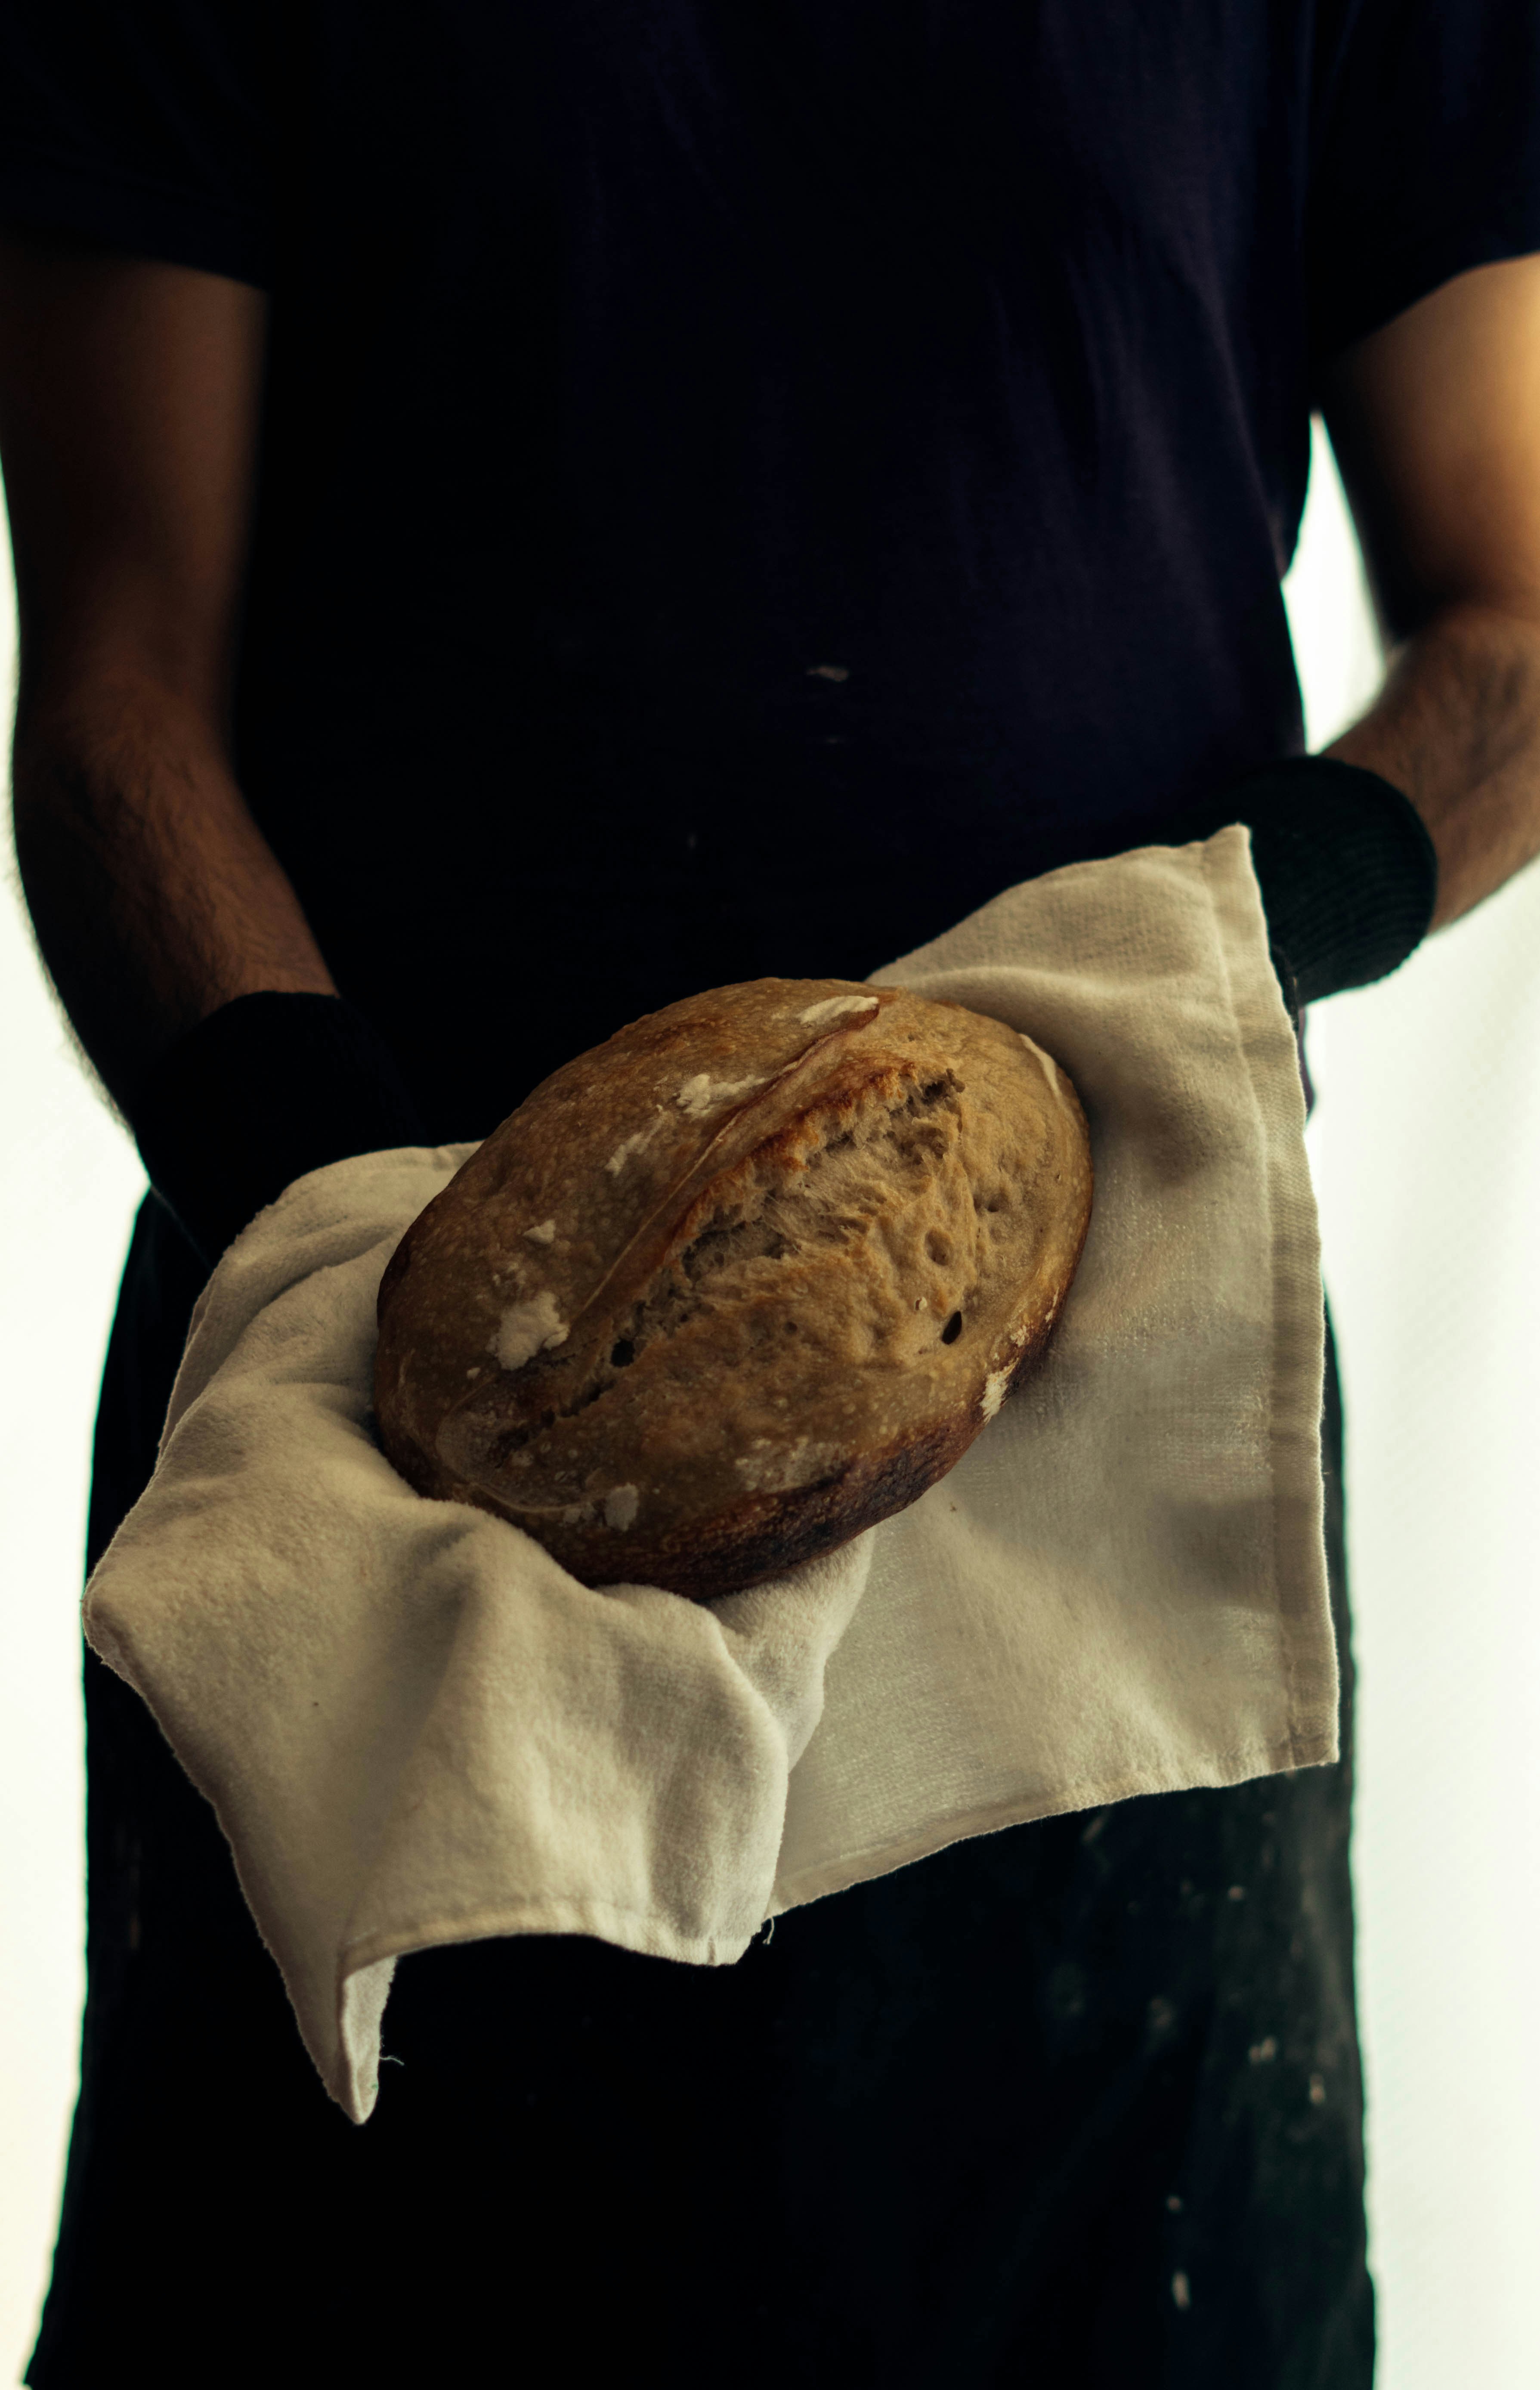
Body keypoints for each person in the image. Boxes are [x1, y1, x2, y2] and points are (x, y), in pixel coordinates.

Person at [2, 3, 1537, 2380]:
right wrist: (348, 1241)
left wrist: (1173, 968)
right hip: (369, 1453)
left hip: (1094, 1447)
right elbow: (117, 696)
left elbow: (1520, 618)